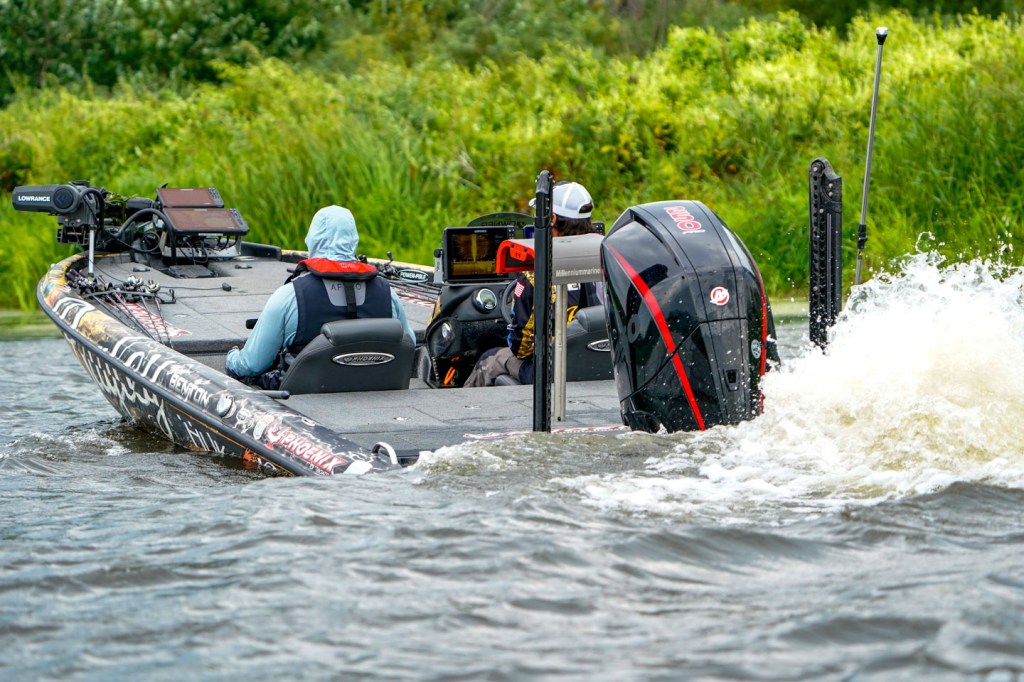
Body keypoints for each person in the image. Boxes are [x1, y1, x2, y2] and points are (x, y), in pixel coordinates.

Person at [225, 205, 414, 389]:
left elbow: (251, 365)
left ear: (313, 239)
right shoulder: (388, 294)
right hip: (374, 393)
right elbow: (409, 346)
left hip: (303, 398)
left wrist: (232, 357)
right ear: (353, 240)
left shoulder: (290, 295)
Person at [463, 181, 600, 387]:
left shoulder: (536, 272)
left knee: (490, 359)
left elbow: (521, 348)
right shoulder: (604, 258)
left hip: (550, 371)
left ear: (552, 219)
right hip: (596, 362)